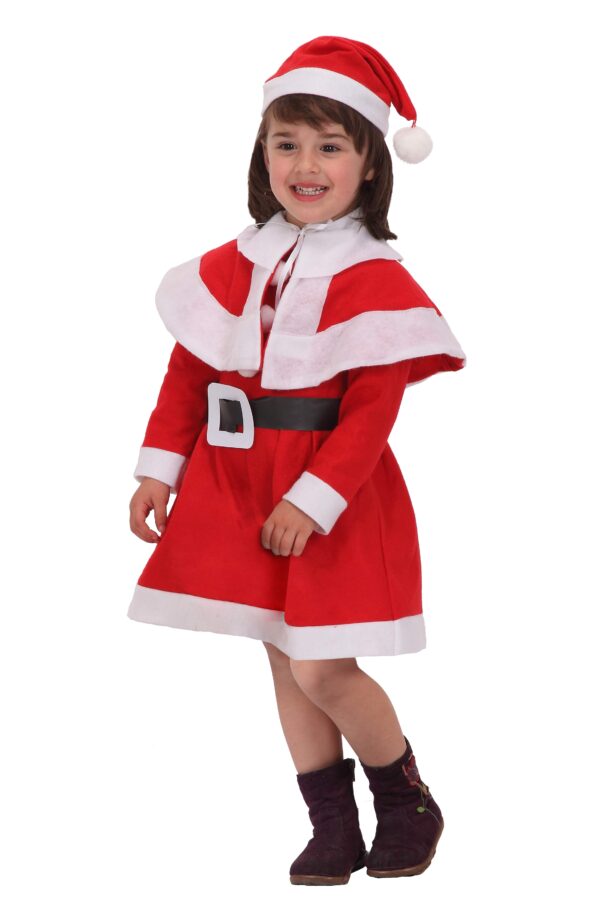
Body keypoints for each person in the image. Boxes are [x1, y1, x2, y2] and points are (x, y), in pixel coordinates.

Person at [127, 35, 466, 887]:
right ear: (263, 154)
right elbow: (190, 373)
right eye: (287, 143)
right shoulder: (236, 262)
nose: (305, 165)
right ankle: (331, 827)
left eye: (330, 145)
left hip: (328, 493)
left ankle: (405, 801)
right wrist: (160, 468)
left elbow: (372, 414)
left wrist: (312, 501)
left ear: (370, 163)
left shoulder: (376, 278)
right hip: (238, 479)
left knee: (322, 664)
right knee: (284, 656)